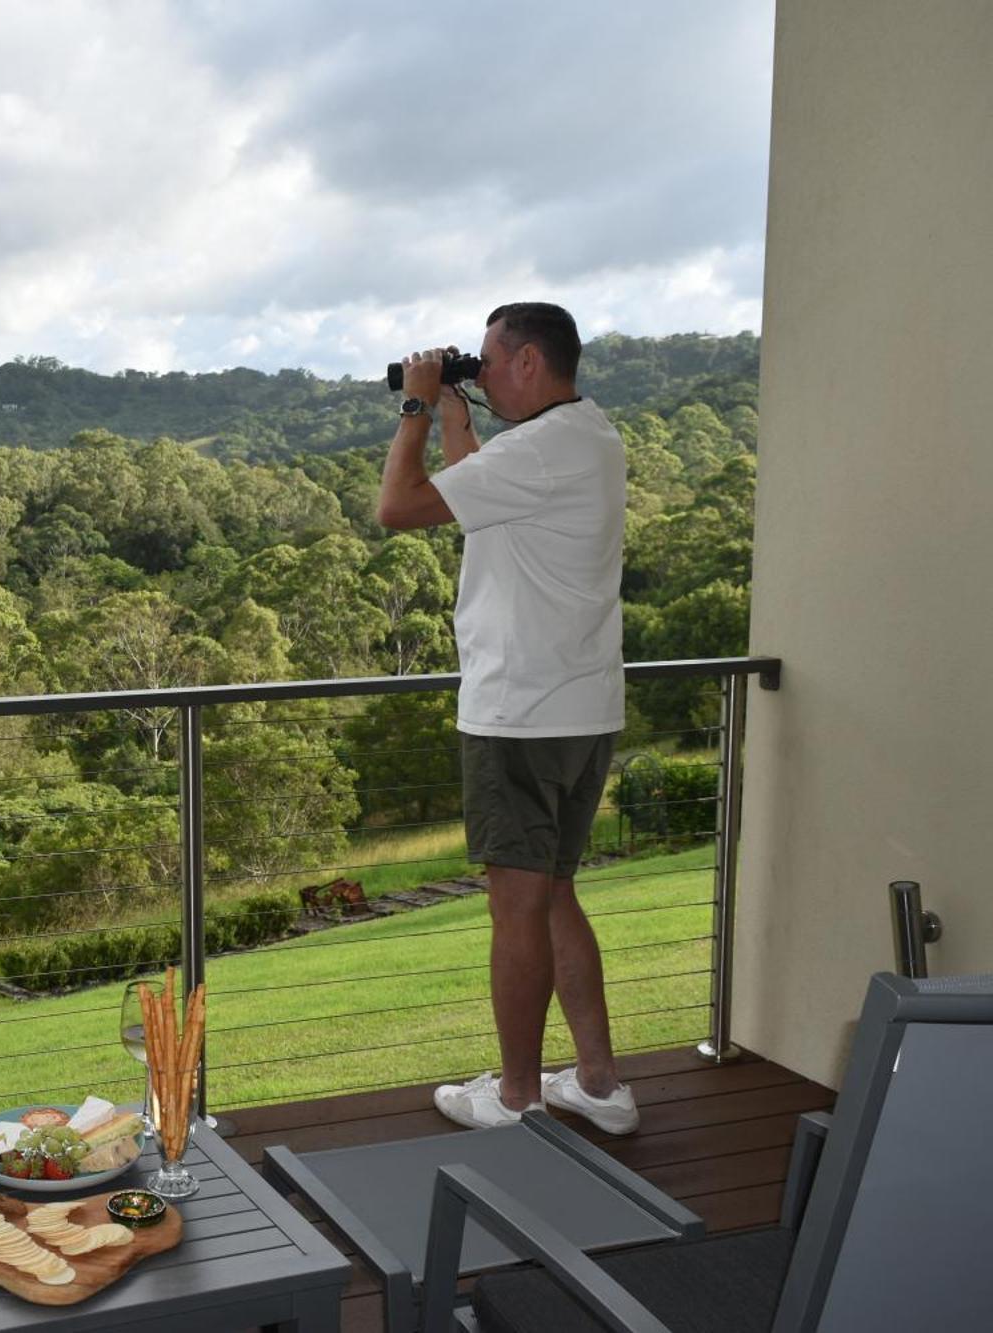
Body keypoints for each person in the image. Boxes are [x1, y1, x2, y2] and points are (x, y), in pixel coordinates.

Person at [374, 302, 638, 1134]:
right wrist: (459, 419)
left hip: (520, 714)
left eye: (486, 361)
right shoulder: (584, 436)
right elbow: (480, 500)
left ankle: (519, 1096)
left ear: (528, 361)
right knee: (555, 893)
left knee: (516, 906)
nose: (478, 373)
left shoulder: (540, 449)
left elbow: (400, 508)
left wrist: (417, 407)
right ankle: (597, 1083)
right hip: (580, 707)